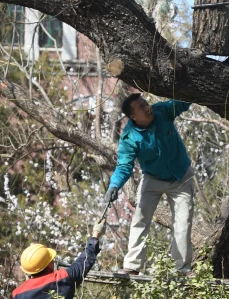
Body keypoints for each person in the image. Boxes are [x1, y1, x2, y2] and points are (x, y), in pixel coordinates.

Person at [104, 94, 194, 276]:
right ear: (134, 117)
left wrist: (192, 88)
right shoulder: (129, 137)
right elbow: (124, 166)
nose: (147, 108)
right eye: (141, 107)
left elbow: (183, 101)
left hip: (180, 176)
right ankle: (132, 266)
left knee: (182, 223)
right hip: (152, 178)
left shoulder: (162, 111)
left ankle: (182, 269)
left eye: (145, 103)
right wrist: (114, 185)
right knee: (140, 219)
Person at [12, 219, 106, 299]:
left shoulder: (17, 294)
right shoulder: (63, 278)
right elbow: (84, 261)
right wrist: (96, 234)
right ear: (48, 264)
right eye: (51, 259)